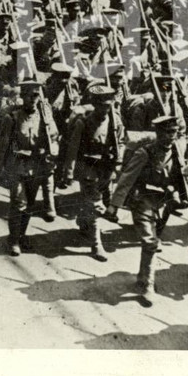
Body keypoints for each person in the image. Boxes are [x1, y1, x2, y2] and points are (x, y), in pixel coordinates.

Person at [104, 115, 184, 305]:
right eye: (167, 132)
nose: (171, 136)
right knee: (150, 242)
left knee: (152, 241)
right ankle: (148, 286)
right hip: (142, 202)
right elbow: (126, 179)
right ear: (158, 133)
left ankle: (143, 276)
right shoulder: (145, 153)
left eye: (174, 132)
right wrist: (114, 206)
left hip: (162, 204)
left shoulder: (176, 151)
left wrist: (179, 193)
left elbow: (178, 175)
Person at [0, 79, 59, 257]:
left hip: (37, 166)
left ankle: (21, 235)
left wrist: (50, 137)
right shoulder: (13, 118)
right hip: (17, 166)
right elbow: (3, 145)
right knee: (18, 203)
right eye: (30, 95)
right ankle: (13, 239)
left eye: (36, 95)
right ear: (23, 96)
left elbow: (54, 137)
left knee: (29, 204)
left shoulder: (45, 117)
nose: (33, 99)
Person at [61, 84, 125, 261]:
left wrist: (119, 159)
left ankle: (83, 220)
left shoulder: (115, 121)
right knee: (95, 204)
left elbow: (121, 141)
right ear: (95, 104)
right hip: (87, 168)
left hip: (106, 168)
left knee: (89, 202)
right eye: (102, 105)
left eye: (108, 105)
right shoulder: (84, 122)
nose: (105, 108)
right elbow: (73, 149)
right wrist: (68, 171)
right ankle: (96, 244)